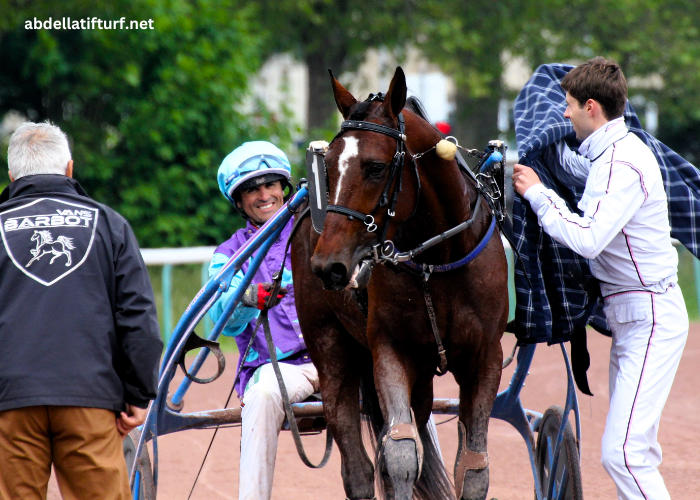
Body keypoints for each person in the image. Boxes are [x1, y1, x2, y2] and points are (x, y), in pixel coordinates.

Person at [512, 57, 688, 500]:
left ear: (591, 107)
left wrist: (536, 193)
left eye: (568, 105)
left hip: (649, 315)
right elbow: (583, 177)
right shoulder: (611, 154)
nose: (563, 113)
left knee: (624, 455)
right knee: (635, 451)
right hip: (635, 313)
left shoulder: (622, 163)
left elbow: (587, 239)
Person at [0, 122, 163, 500]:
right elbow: (138, 317)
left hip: (10, 401)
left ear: (11, 176)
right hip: (90, 396)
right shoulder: (110, 224)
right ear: (69, 169)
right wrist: (139, 393)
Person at [210, 141, 317, 500]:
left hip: (340, 357)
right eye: (252, 189)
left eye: (271, 184)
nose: (264, 194)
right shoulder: (227, 255)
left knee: (405, 378)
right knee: (263, 394)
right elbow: (223, 324)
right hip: (280, 369)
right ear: (239, 202)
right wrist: (245, 298)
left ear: (284, 188)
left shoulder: (316, 232)